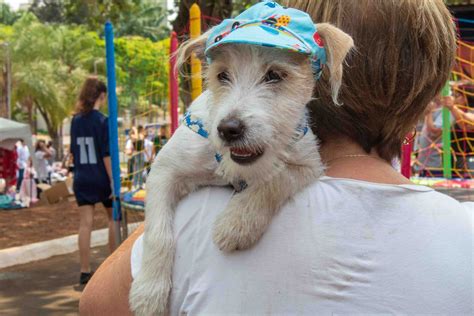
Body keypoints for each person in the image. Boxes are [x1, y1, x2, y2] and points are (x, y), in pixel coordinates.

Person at [80, 1, 473, 314]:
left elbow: (96, 305)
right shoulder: (464, 235)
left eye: (275, 77)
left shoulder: (196, 215)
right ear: (427, 93)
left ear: (319, 72)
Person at [70, 76, 115, 285]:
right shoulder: (103, 121)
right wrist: (113, 181)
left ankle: (84, 270)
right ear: (102, 95)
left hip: (82, 177)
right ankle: (113, 267)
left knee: (85, 224)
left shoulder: (75, 120)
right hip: (100, 177)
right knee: (112, 218)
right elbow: (106, 154)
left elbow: (73, 151)